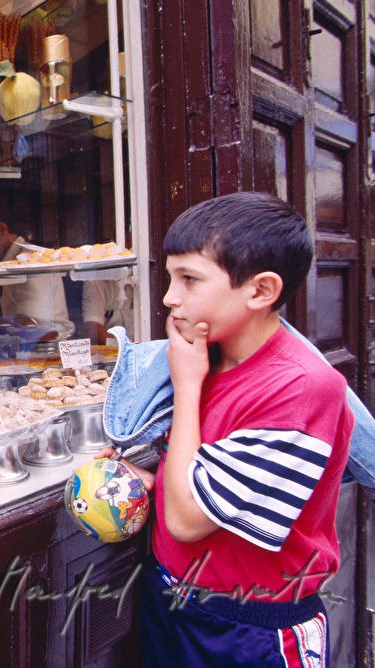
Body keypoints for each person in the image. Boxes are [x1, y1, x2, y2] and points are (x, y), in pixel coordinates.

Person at [100, 192, 353, 666]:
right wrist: (146, 484)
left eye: (189, 279)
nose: (170, 297)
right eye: (170, 277)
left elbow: (187, 521)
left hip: (249, 625)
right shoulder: (206, 355)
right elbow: (201, 477)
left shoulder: (301, 387)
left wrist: (188, 386)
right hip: (172, 595)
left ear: (260, 290)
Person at [0, 216, 74, 336]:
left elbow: (35, 327)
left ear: (2, 230)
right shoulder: (12, 259)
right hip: (28, 345)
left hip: (46, 347)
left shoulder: (28, 259)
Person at [81, 278, 133, 344]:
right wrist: (127, 345)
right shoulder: (95, 280)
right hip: (107, 351)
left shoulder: (141, 276)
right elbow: (93, 331)